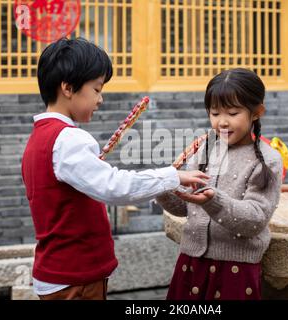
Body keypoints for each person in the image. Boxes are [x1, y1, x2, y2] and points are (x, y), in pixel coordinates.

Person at [21, 37, 209, 300]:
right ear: (67, 87)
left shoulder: (40, 139)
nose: (100, 99)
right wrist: (171, 175)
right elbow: (116, 186)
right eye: (96, 89)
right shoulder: (68, 139)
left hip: (58, 272)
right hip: (75, 279)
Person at [156, 68, 283, 300]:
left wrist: (213, 200)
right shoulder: (204, 149)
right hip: (191, 262)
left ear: (257, 112)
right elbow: (184, 207)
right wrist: (164, 184)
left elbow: (255, 219)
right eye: (214, 113)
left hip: (236, 270)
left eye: (233, 113)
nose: (222, 122)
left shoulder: (268, 160)